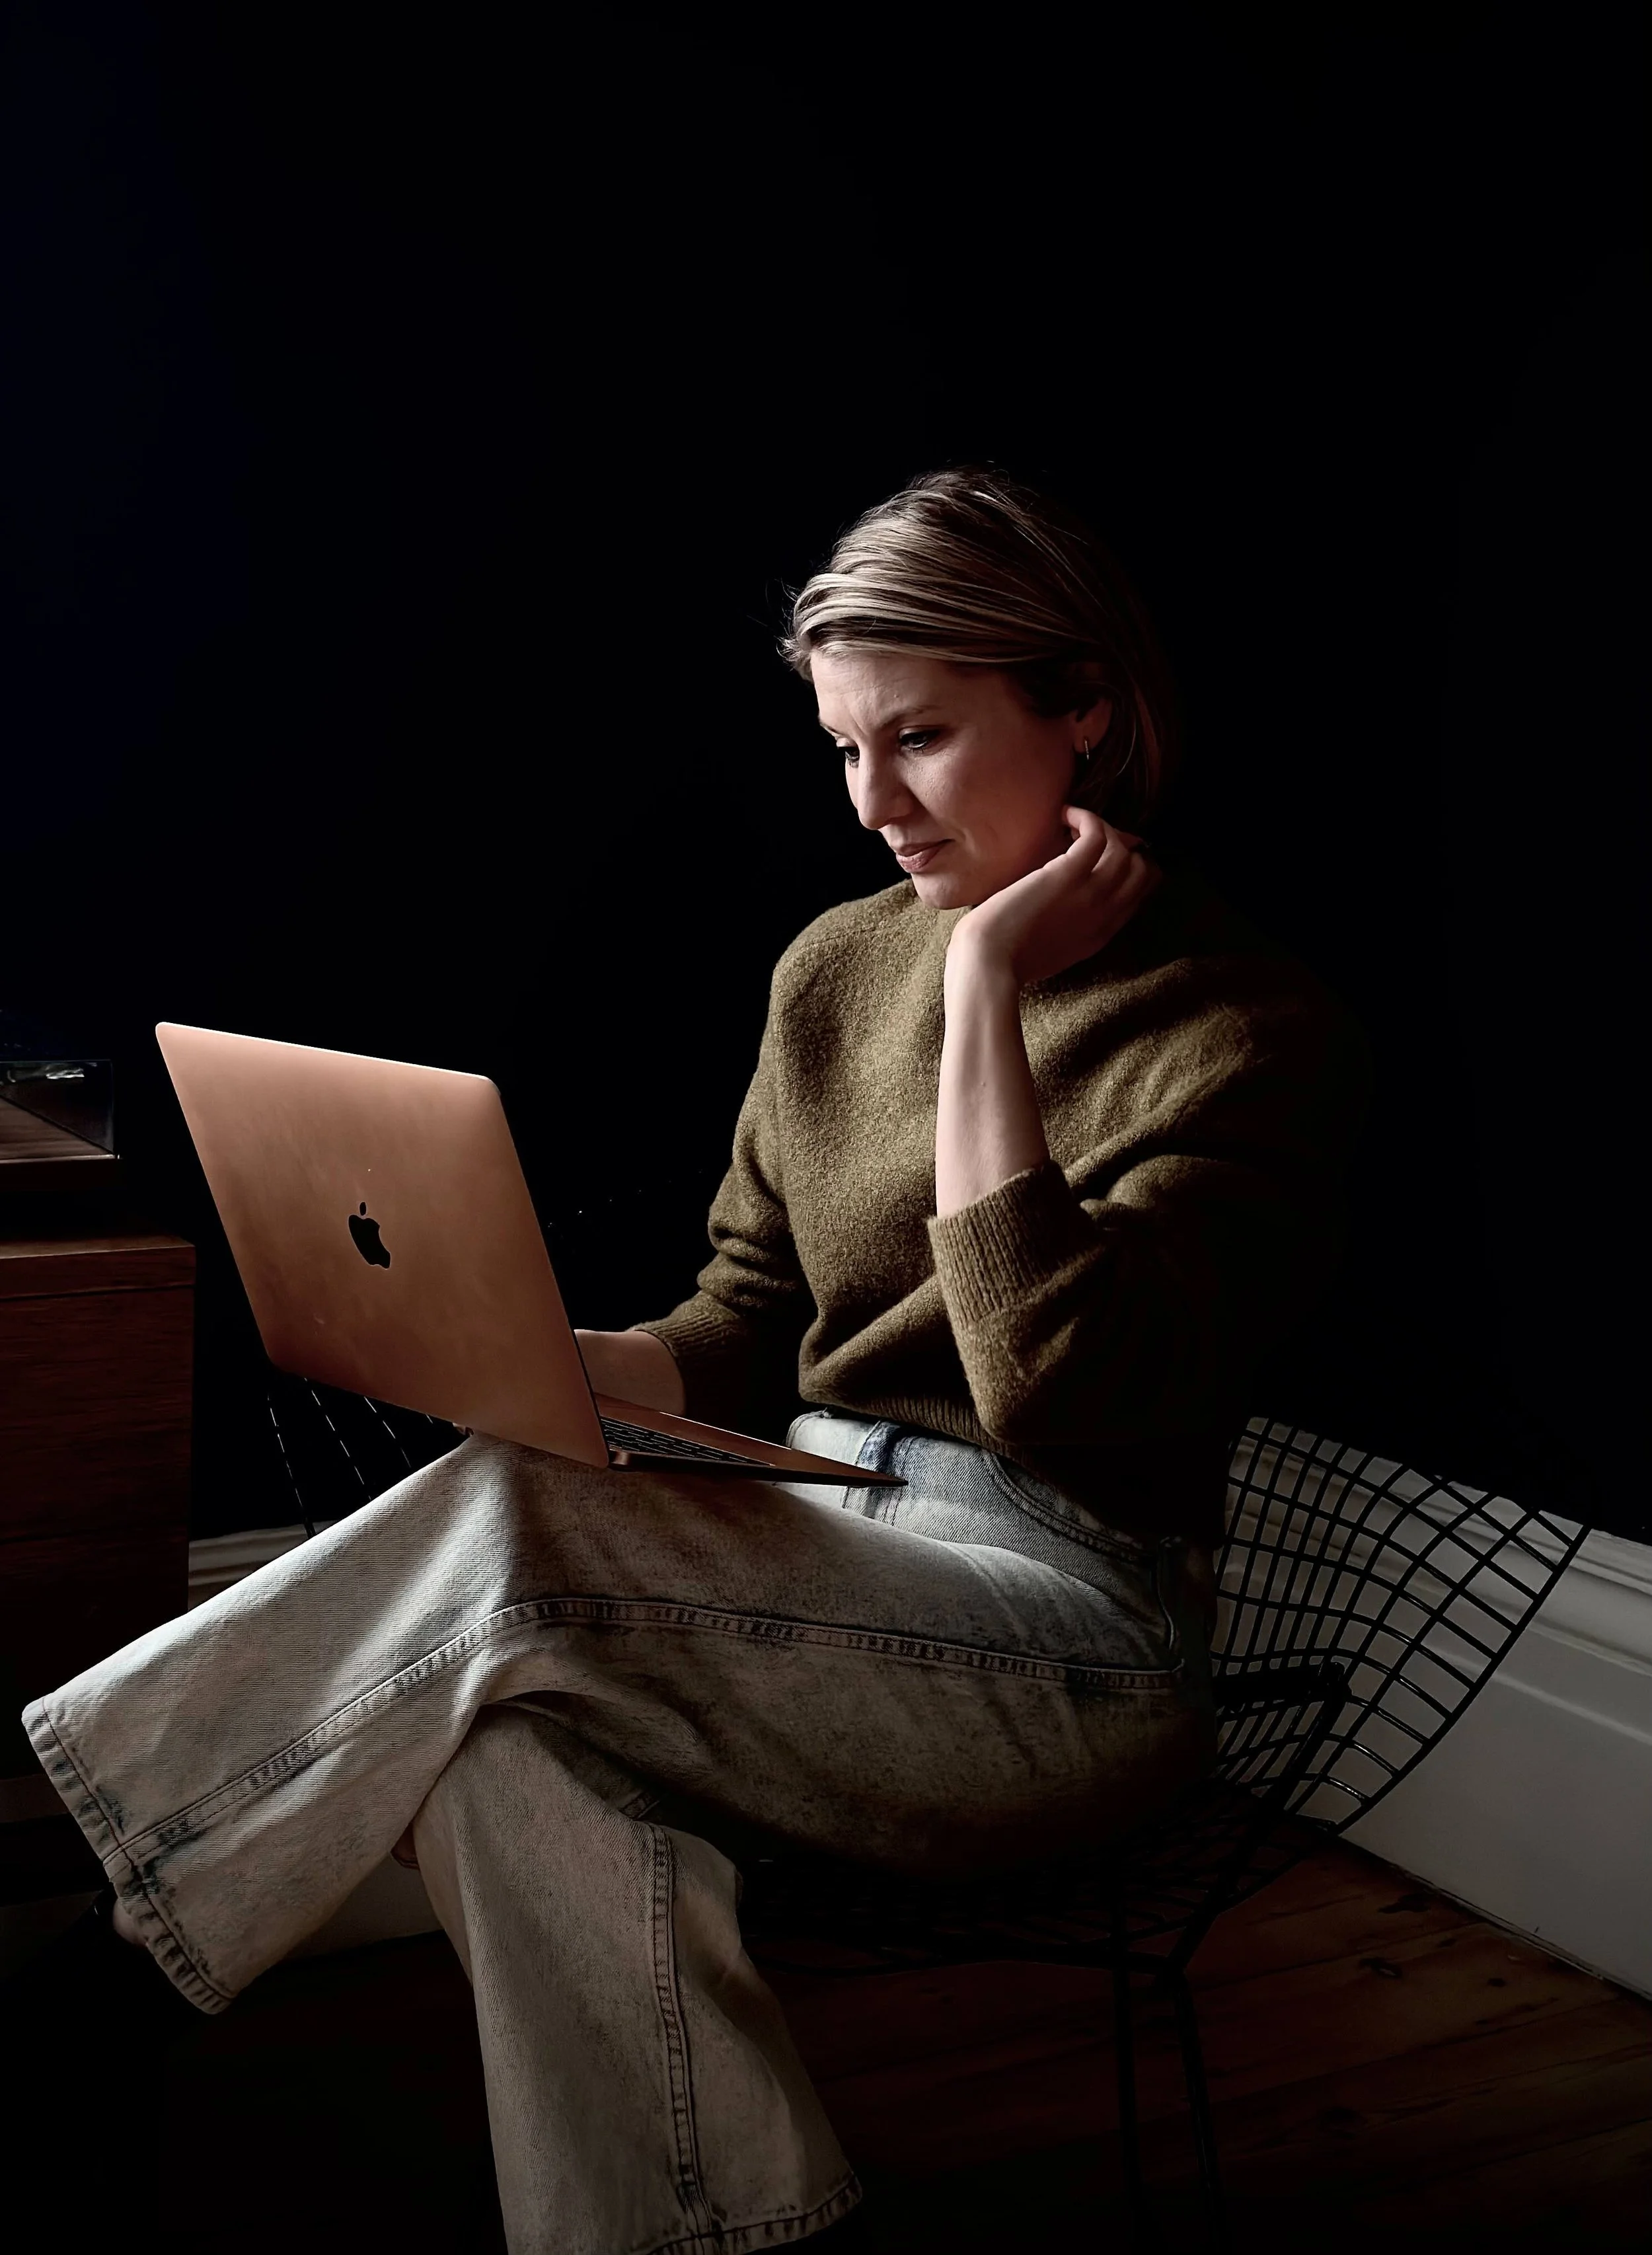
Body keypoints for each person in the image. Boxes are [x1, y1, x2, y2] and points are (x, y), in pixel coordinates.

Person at [17, 467, 1368, 2253]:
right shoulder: (832, 970)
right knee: (511, 1754)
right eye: (843, 749)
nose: (872, 802)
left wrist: (982, 993)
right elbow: (745, 1318)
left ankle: (84, 1969)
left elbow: (1049, 1384)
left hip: (1065, 1647)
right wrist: (561, 1361)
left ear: (1089, 713)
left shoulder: (1246, 1030)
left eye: (921, 738)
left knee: (517, 1531)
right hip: (801, 1531)